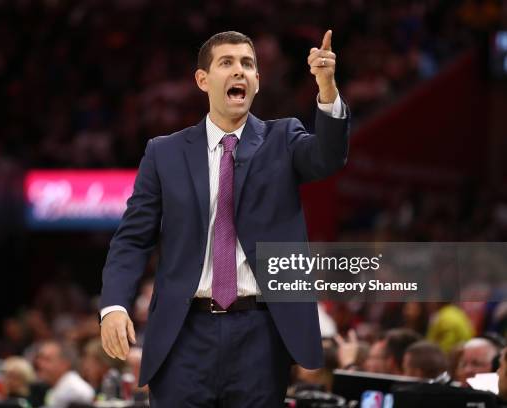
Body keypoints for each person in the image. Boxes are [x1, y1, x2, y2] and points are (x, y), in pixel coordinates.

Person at [99, 30, 350, 407]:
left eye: (248, 65)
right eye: (227, 63)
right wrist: (115, 305)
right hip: (184, 334)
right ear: (203, 80)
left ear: (257, 82)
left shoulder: (283, 138)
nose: (240, 72)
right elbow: (133, 239)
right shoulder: (163, 153)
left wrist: (327, 90)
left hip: (260, 333)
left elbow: (328, 157)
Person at [35, 340, 95, 408]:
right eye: (39, 359)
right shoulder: (58, 386)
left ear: (64, 364)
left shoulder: (75, 390)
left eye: (46, 360)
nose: (39, 364)